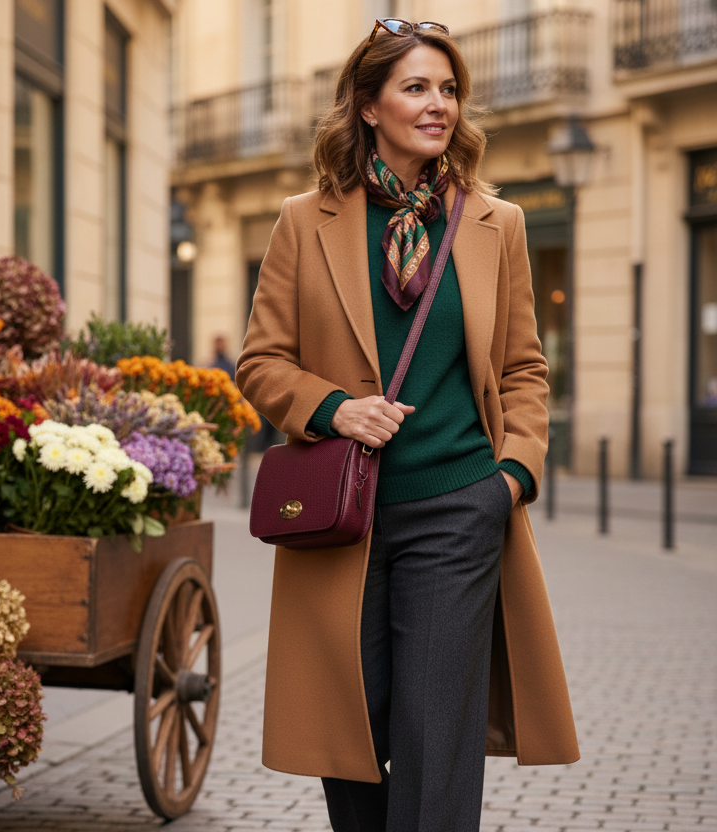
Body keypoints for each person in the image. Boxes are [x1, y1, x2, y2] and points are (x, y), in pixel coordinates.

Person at [236, 18, 579, 832]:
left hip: (459, 506)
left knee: (436, 735)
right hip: (340, 514)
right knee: (348, 731)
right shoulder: (302, 220)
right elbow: (260, 362)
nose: (439, 106)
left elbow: (526, 369)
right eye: (416, 88)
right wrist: (333, 409)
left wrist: (512, 478)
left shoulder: (498, 224)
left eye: (449, 89)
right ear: (366, 105)